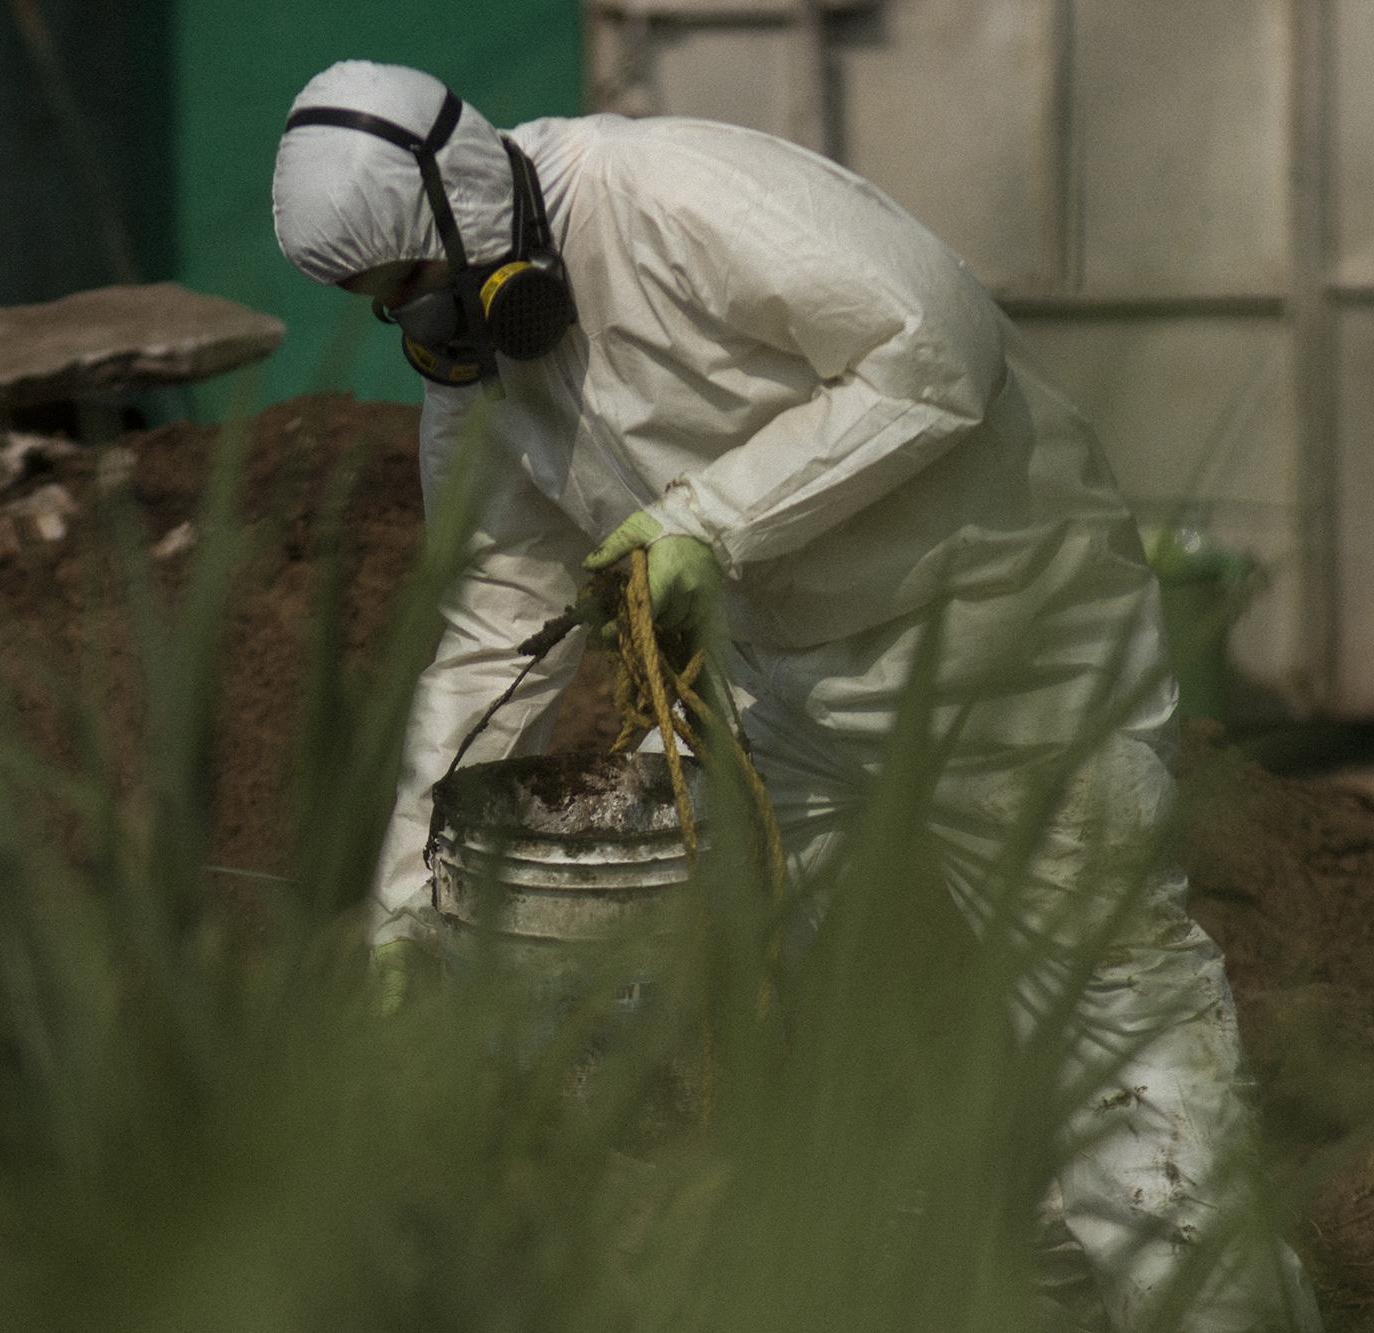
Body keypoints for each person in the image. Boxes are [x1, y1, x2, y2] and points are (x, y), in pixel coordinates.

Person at [270, 60, 1321, 1332]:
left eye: (410, 288)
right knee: (815, 1016)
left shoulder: (679, 196)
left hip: (1001, 646)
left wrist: (716, 519)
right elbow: (486, 635)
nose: (413, 329)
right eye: (379, 309)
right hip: (790, 686)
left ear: (467, 211)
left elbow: (932, 352)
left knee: (1109, 1003)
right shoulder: (487, 369)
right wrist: (405, 909)